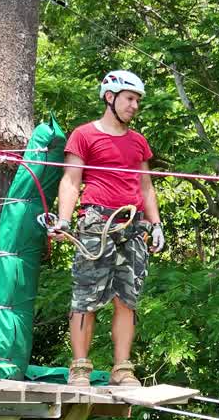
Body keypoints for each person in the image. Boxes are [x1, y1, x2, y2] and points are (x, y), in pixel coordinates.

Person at [46, 70, 165, 387]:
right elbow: (71, 180)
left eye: (137, 100)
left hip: (133, 224)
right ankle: (80, 368)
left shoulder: (138, 142)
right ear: (110, 98)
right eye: (129, 99)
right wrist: (64, 219)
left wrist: (156, 224)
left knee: (127, 298)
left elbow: (146, 185)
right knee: (86, 296)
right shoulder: (84, 135)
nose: (134, 106)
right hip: (97, 222)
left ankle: (122, 368)